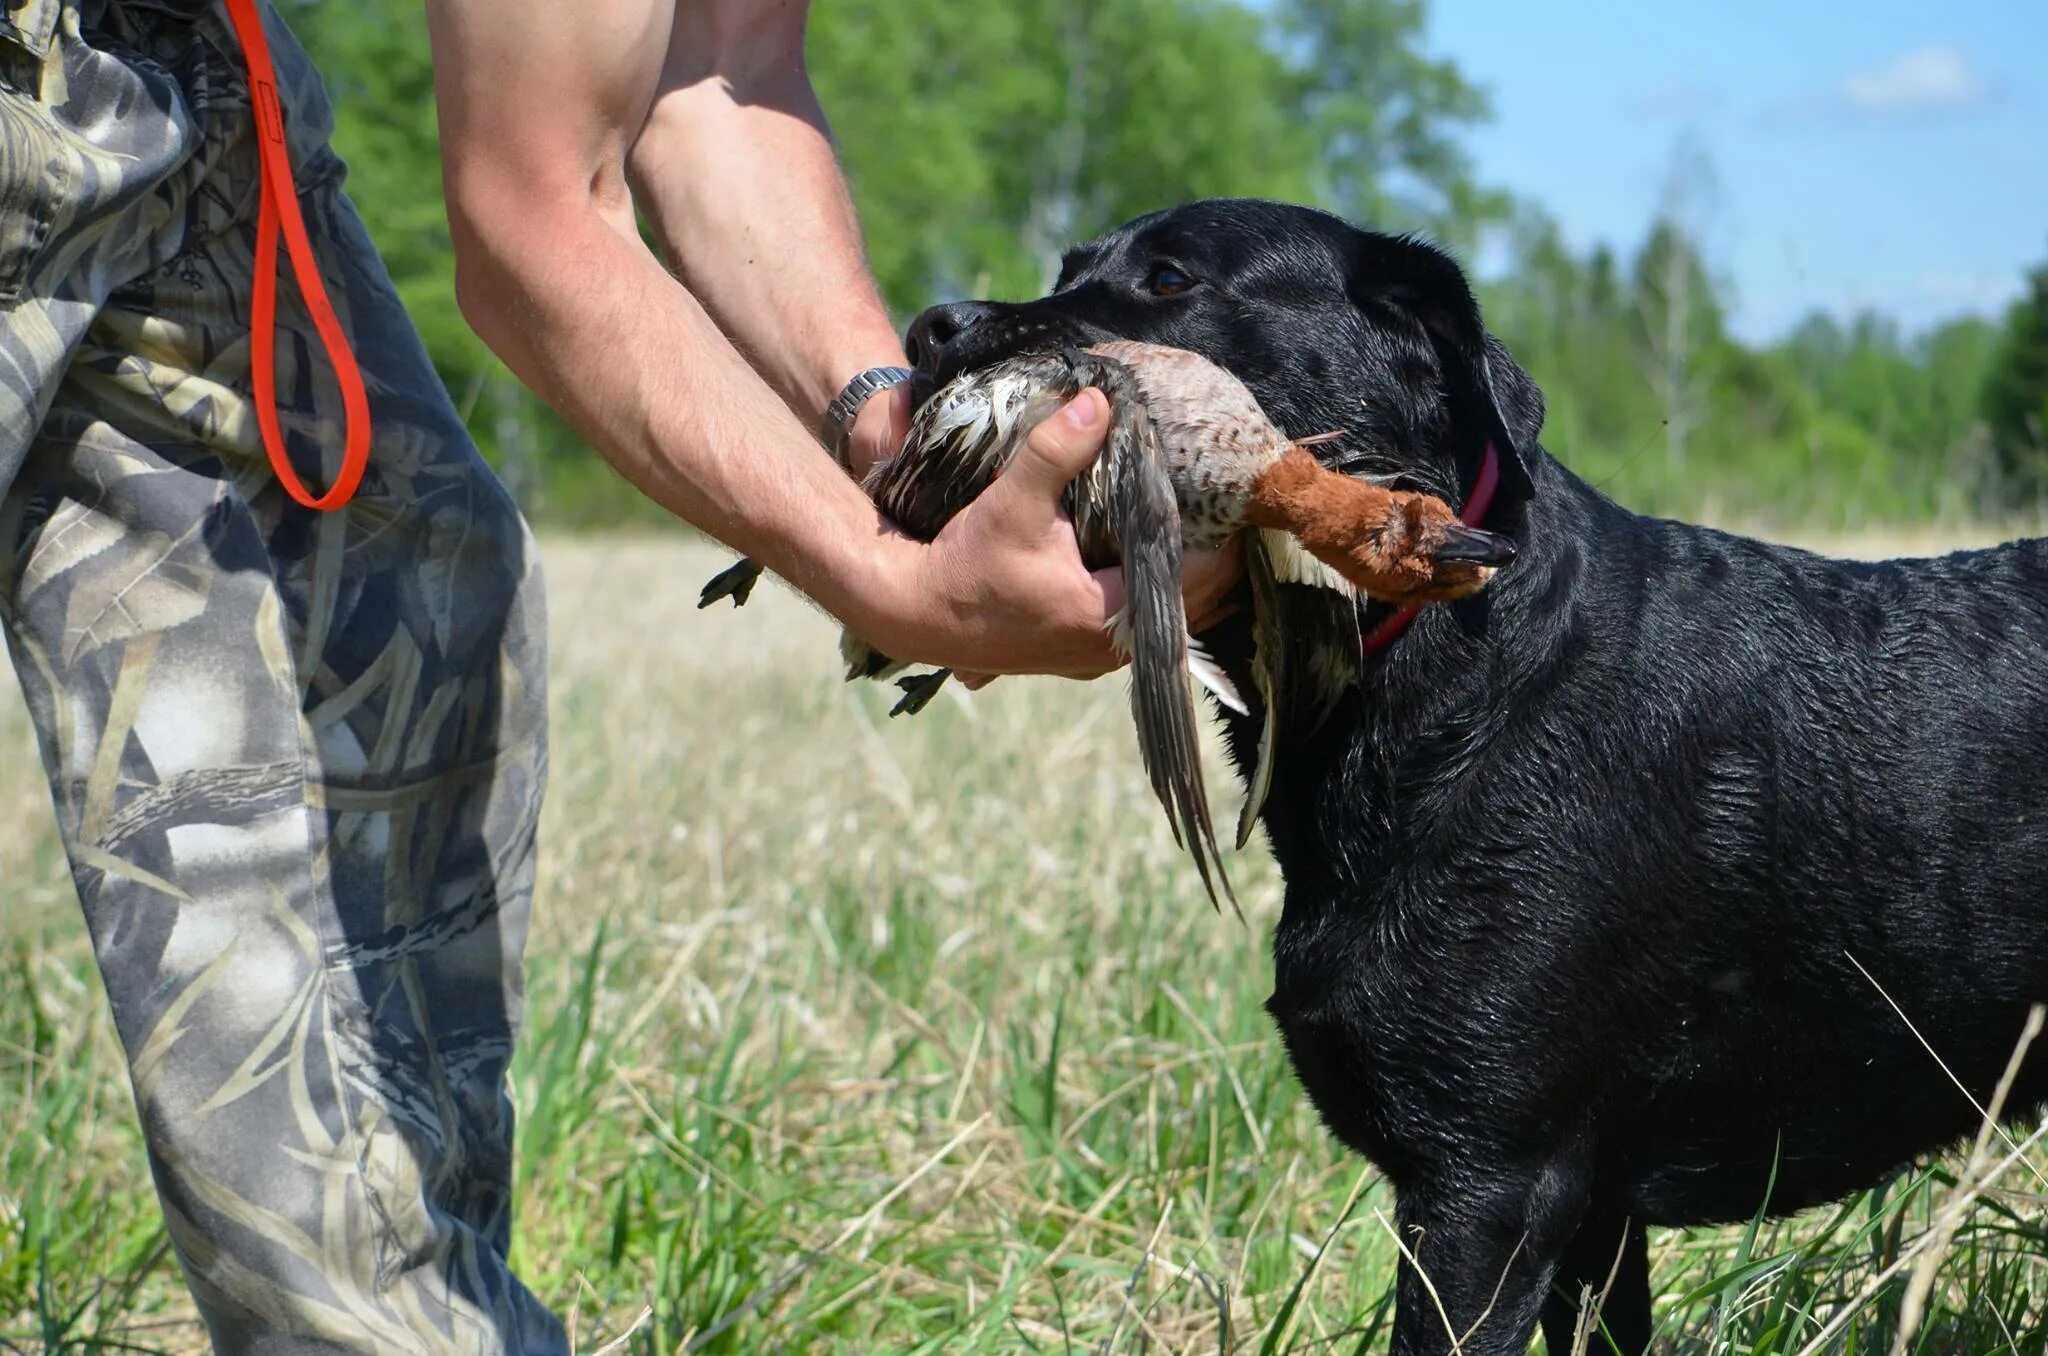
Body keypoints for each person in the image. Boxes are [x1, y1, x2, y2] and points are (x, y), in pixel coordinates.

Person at [0, 0, 1237, 1347]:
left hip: (178, 65)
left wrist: (905, 458)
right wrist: (888, 585)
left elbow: (714, 74)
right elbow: (535, 211)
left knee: (386, 608)